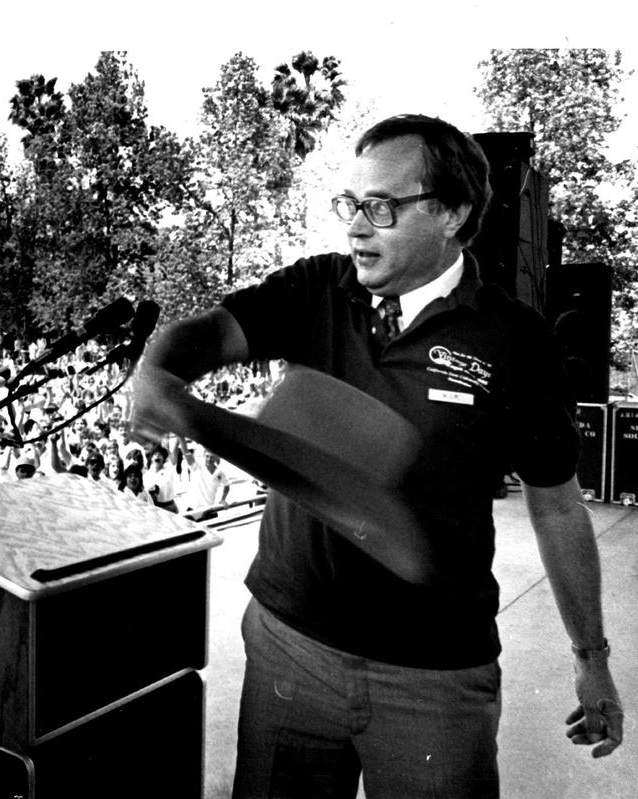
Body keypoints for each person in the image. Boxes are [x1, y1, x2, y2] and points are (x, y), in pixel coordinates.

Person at [129, 114, 623, 798]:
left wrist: (591, 657)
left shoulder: (517, 341)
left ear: (451, 213)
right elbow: (205, 335)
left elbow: (559, 505)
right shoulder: (316, 289)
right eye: (351, 204)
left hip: (435, 676)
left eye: (381, 207)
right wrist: (158, 370)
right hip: (288, 646)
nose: (357, 226)